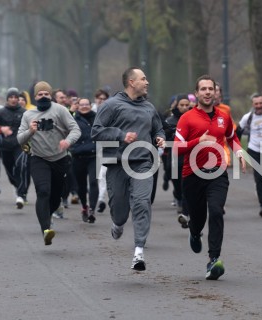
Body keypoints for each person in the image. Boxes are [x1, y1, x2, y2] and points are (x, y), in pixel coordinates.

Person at [91, 67, 165, 271]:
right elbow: (96, 132)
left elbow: (157, 127)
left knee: (142, 203)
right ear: (131, 82)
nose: (147, 82)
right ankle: (117, 223)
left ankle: (138, 252)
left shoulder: (149, 107)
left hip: (143, 162)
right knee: (120, 211)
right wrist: (120, 135)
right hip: (117, 164)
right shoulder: (111, 105)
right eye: (143, 78)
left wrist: (160, 137)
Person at [174, 74, 246, 280]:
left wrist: (239, 152)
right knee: (198, 218)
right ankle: (195, 233)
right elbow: (177, 148)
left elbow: (232, 138)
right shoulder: (187, 118)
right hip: (192, 175)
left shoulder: (224, 117)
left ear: (215, 93)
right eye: (203, 89)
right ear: (196, 93)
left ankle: (214, 259)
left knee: (216, 211)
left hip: (217, 172)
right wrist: (198, 140)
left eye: (210, 89)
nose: (207, 92)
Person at [17, 81, 81, 246]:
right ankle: (46, 229)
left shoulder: (60, 110)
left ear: (50, 95)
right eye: (40, 94)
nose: (43, 96)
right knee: (43, 191)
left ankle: (49, 213)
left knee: (55, 197)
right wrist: (30, 131)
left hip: (60, 159)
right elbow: (19, 139)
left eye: (46, 93)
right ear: (35, 97)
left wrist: (67, 141)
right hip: (39, 159)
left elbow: (76, 129)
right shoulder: (28, 115)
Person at [0, 87, 31, 208]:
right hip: (5, 146)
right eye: (11, 97)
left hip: (19, 144)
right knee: (10, 171)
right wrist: (1, 129)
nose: (14, 99)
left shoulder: (24, 112)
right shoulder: (0, 112)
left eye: (16, 97)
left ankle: (21, 194)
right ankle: (18, 187)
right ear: (7, 99)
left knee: (21, 166)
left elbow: (31, 127)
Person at [163, 94, 191, 228]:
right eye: (182, 105)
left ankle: (186, 214)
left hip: (190, 157)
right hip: (174, 157)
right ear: (177, 106)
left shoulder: (194, 119)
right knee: (177, 183)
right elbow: (163, 137)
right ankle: (177, 196)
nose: (185, 107)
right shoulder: (169, 121)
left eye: (187, 105)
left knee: (187, 187)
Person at [70, 98, 98, 223]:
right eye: (82, 105)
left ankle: (92, 208)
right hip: (78, 157)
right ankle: (84, 206)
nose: (85, 107)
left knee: (93, 182)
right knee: (81, 186)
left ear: (91, 106)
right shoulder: (73, 119)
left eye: (87, 104)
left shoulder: (97, 118)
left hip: (94, 156)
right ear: (78, 106)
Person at [92, 88, 110, 213]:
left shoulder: (111, 112)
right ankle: (95, 197)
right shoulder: (89, 110)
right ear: (95, 99)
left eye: (104, 99)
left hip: (106, 146)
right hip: (91, 148)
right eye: (100, 99)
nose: (102, 101)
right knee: (94, 177)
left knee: (103, 173)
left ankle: (101, 199)